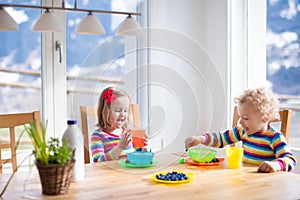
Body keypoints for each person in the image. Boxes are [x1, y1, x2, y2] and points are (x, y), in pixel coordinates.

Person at [185, 87, 297, 173]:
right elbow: (221, 138)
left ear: (265, 117)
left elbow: (290, 159)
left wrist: (276, 165)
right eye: (240, 117)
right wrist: (201, 139)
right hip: (245, 179)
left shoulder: (274, 137)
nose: (241, 122)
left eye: (245, 118)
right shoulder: (242, 132)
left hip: (266, 184)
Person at [90, 87, 135, 162]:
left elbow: (135, 154)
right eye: (118, 111)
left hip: (129, 172)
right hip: (110, 173)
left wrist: (145, 148)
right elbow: (98, 163)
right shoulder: (98, 136)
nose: (123, 115)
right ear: (105, 112)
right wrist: (119, 148)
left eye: (125, 111)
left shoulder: (126, 132)